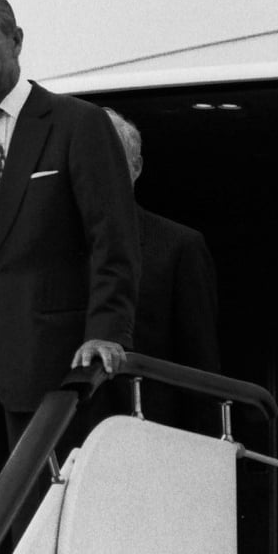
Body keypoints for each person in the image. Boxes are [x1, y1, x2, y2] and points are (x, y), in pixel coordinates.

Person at [0, 0, 141, 554]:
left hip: (49, 366)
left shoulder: (79, 124)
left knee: (47, 534)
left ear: (17, 40)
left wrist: (106, 330)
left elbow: (113, 241)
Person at [103, 108, 221, 424]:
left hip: (146, 435)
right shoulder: (44, 245)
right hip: (60, 443)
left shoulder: (178, 246)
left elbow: (199, 367)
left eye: (108, 158)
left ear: (136, 167)